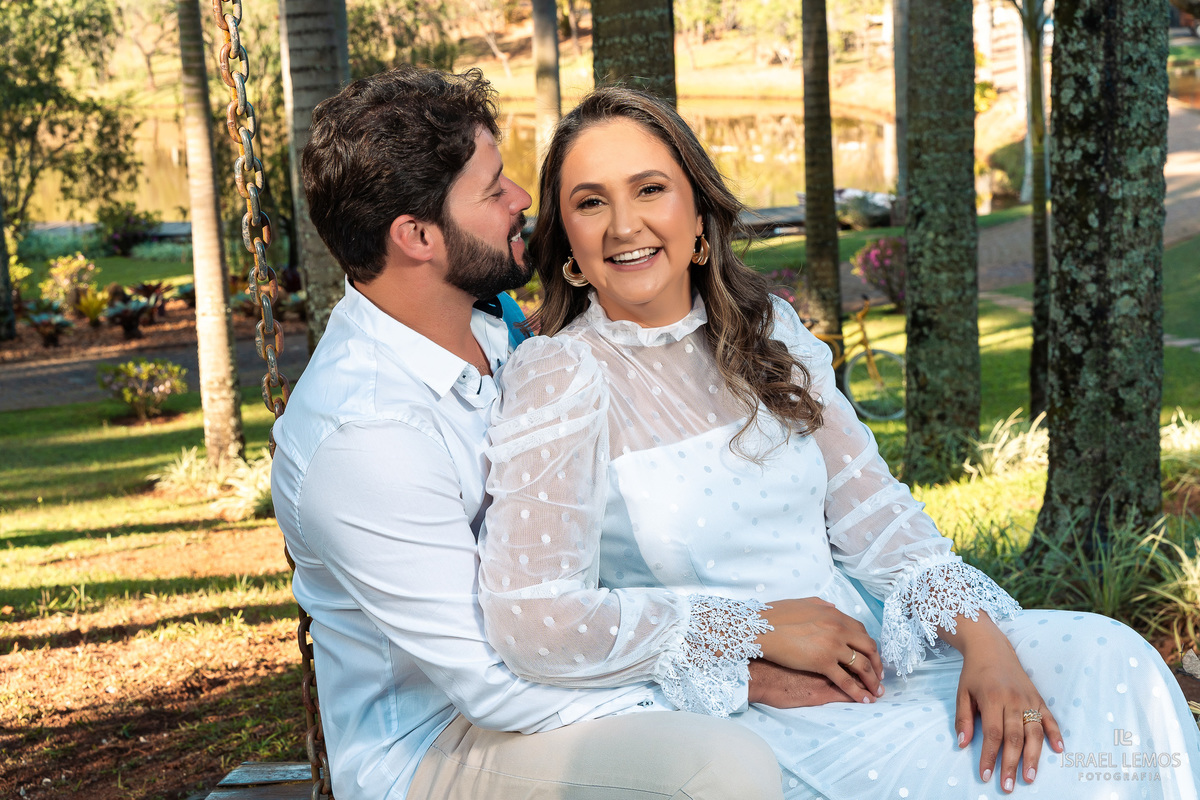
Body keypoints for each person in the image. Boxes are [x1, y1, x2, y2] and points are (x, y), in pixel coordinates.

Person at [476, 87, 1200, 799]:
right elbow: (536, 617)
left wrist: (983, 641)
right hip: (760, 709)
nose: (624, 225)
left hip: (879, 656)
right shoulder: (561, 376)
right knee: (1040, 782)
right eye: (590, 202)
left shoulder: (770, 332)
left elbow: (874, 515)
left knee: (1118, 664)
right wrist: (750, 637)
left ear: (698, 212)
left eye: (650, 189)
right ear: (567, 241)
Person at [270, 66, 809, 799]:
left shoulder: (495, 331)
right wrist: (744, 668)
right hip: (448, 741)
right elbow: (494, 685)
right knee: (721, 768)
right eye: (493, 191)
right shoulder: (367, 441)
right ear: (418, 235)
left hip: (560, 663)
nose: (523, 200)